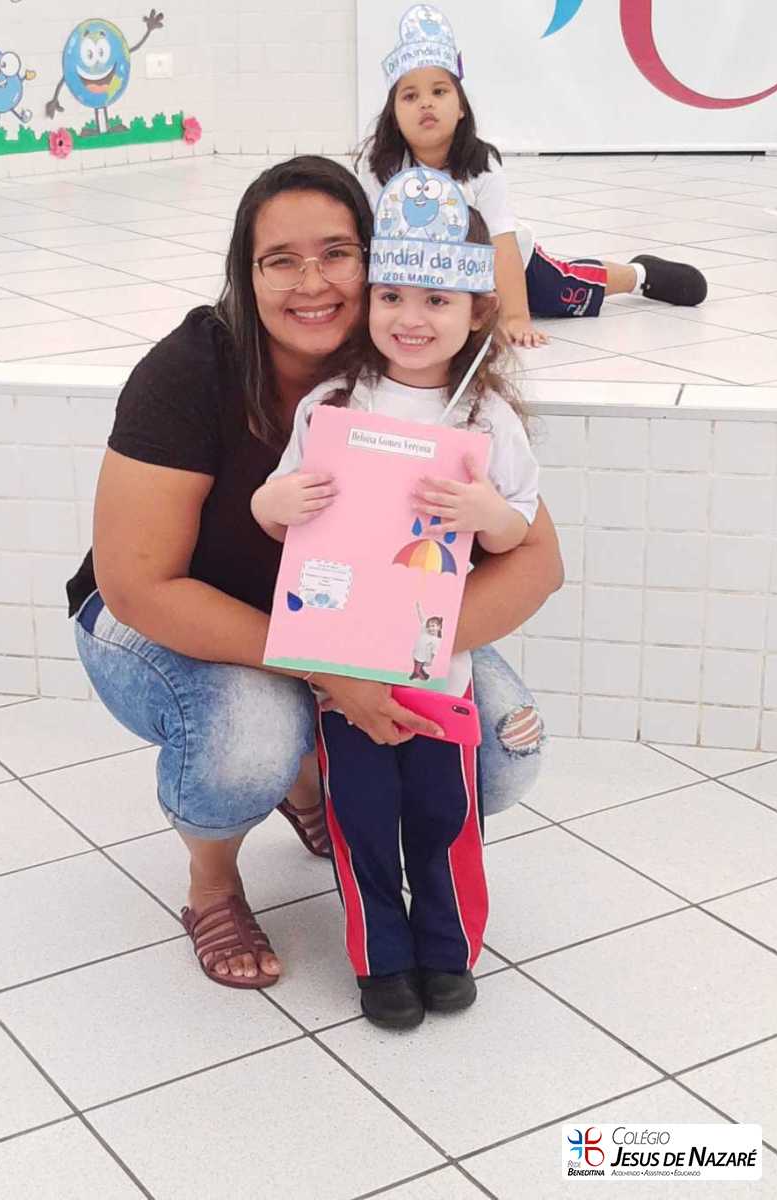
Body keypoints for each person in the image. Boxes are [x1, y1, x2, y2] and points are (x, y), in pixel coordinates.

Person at [66, 155, 563, 994]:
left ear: (379, 258)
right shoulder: (192, 372)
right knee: (250, 736)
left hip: (357, 623)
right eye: (280, 260)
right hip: (168, 621)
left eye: (337, 253)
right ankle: (213, 883)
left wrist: (393, 659)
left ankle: (312, 786)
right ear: (246, 273)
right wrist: (331, 671)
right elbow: (138, 587)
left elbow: (537, 560)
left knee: (499, 754)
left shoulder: (447, 395)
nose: (312, 282)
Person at [252, 171, 539, 1027]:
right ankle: (380, 958)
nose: (411, 318)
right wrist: (277, 501)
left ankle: (448, 949)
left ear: (477, 311)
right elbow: (273, 507)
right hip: (344, 665)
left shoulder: (487, 420)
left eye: (437, 300)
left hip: (441, 669)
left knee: (444, 812)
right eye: (391, 296)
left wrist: (487, 513)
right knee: (364, 814)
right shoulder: (332, 405)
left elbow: (519, 528)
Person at [356, 4, 708, 349]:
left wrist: (515, 317)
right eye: (410, 96)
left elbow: (502, 243)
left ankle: (639, 275)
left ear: (461, 107)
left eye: (439, 91)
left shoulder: (480, 164)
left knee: (567, 289)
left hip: (510, 266)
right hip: (428, 277)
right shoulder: (378, 168)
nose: (426, 103)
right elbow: (372, 245)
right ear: (393, 115)